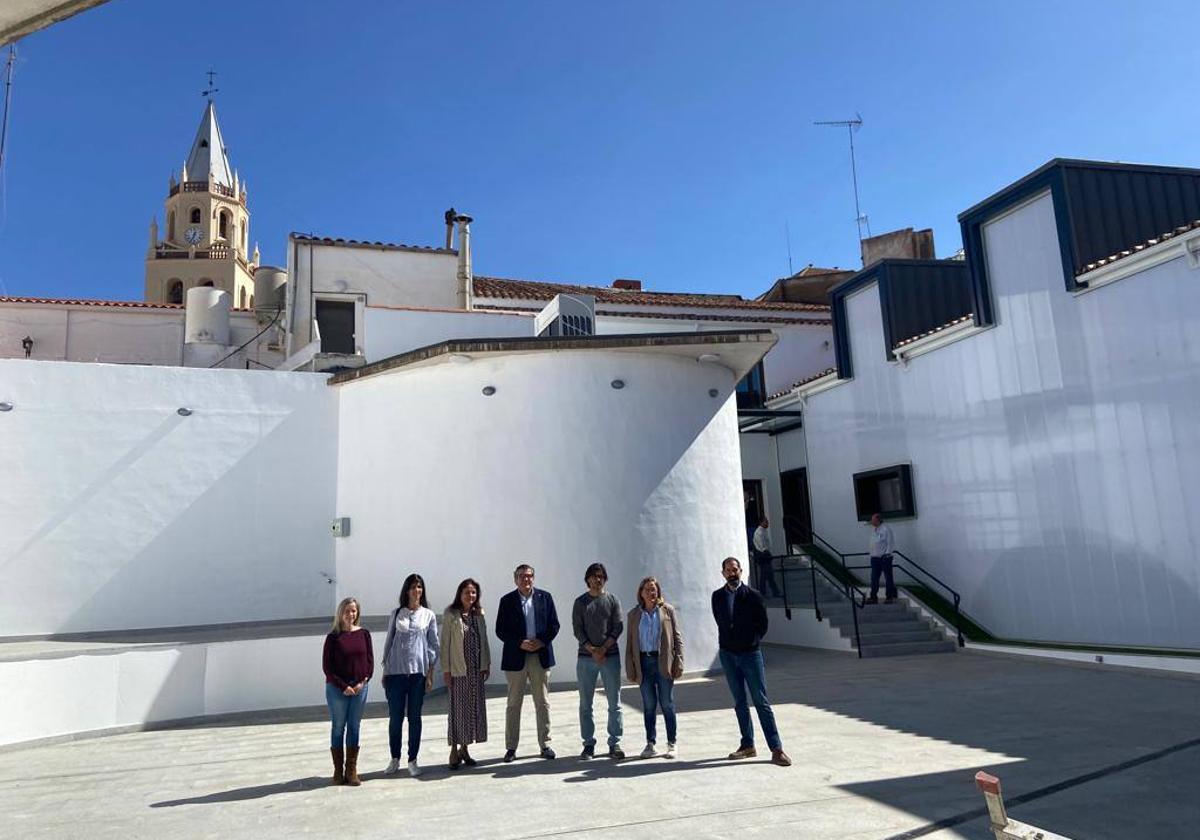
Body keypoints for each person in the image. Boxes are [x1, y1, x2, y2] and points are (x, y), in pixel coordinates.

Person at [711, 557, 791, 767]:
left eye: (734, 569)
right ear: (722, 573)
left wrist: (751, 641)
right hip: (728, 654)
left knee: (761, 701)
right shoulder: (717, 597)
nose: (732, 573)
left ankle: (776, 748)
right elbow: (720, 621)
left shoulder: (753, 596)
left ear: (741, 570)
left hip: (750, 654)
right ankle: (747, 744)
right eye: (728, 570)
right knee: (739, 702)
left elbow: (762, 624)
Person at [495, 563, 560, 762]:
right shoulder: (507, 601)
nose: (526, 579)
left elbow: (554, 625)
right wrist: (519, 643)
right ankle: (511, 747)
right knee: (514, 704)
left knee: (542, 702)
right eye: (522, 576)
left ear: (534, 578)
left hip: (540, 655)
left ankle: (545, 744)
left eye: (529, 576)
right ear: (515, 579)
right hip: (516, 657)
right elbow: (501, 630)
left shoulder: (545, 598)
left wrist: (540, 642)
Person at [380, 573, 439, 777]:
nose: (417, 591)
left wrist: (430, 674)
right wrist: (385, 670)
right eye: (413, 587)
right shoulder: (396, 614)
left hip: (417, 675)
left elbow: (433, 647)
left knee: (415, 718)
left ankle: (412, 759)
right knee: (395, 718)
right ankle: (394, 758)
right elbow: (389, 641)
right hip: (395, 673)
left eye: (420, 587)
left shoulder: (428, 615)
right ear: (406, 591)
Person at [625, 576, 683, 759]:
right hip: (644, 663)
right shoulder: (634, 615)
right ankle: (650, 743)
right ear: (641, 593)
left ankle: (672, 743)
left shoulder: (667, 611)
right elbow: (629, 644)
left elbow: (676, 637)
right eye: (648, 589)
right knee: (649, 705)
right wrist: (630, 668)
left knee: (666, 703)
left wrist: (679, 661)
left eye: (654, 589)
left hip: (662, 661)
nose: (652, 592)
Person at [572, 562, 625, 759]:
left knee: (614, 702)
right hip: (586, 658)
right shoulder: (580, 602)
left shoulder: (612, 600)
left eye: (601, 575)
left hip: (610, 657)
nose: (597, 579)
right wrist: (592, 649)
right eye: (594, 576)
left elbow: (617, 627)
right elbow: (578, 629)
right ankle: (588, 743)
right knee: (586, 703)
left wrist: (603, 648)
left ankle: (615, 743)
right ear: (587, 579)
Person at [322, 596, 373, 786]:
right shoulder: (333, 638)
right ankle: (338, 771)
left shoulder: (364, 634)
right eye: (347, 611)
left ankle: (351, 770)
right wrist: (343, 686)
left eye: (353, 610)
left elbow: (369, 664)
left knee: (354, 727)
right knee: (338, 727)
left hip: (360, 688)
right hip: (337, 690)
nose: (350, 614)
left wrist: (362, 682)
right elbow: (327, 667)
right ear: (340, 614)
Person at [441, 577, 490, 770]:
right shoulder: (451, 614)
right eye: (466, 592)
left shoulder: (479, 614)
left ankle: (465, 748)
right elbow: (445, 643)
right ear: (459, 594)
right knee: (457, 710)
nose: (470, 595)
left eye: (473, 592)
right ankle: (454, 749)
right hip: (458, 670)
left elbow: (483, 640)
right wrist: (446, 670)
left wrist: (486, 663)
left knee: (472, 710)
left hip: (476, 671)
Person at [867, 513, 897, 605]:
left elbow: (890, 542)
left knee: (888, 577)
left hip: (884, 557)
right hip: (875, 558)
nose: (871, 522)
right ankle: (873, 597)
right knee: (874, 578)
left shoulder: (885, 529)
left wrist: (887, 554)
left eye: (873, 520)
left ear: (878, 520)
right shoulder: (874, 530)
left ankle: (889, 596)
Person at [752, 517, 782, 597]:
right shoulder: (759, 532)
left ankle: (771, 592)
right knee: (766, 575)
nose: (767, 523)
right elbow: (761, 545)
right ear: (761, 522)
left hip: (765, 556)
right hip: (763, 556)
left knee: (767, 575)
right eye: (766, 522)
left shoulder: (763, 531)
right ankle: (769, 592)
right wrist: (766, 552)